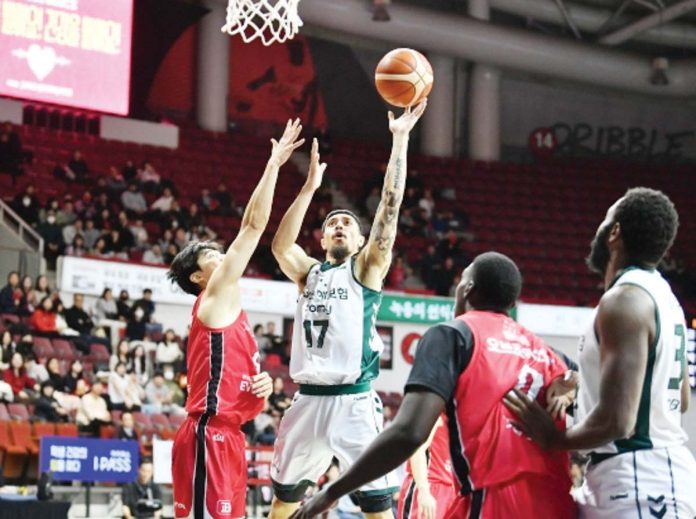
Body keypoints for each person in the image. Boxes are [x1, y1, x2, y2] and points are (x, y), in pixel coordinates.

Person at [291, 252, 578, 519]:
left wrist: (331, 492)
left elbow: (409, 433)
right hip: (560, 505)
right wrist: (575, 381)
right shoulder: (550, 355)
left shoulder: (454, 335)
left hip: (495, 502)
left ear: (467, 289)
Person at [269, 102, 427, 519]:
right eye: (332, 224)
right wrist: (307, 189)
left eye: (347, 225)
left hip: (353, 402)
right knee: (283, 503)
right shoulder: (309, 274)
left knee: (377, 506)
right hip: (306, 400)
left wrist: (400, 139)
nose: (339, 226)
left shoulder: (367, 268)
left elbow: (390, 208)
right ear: (321, 240)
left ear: (359, 242)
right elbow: (281, 247)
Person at [505, 187, 696, 519]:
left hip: (640, 481)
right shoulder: (665, 297)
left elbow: (618, 421)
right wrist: (584, 386)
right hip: (639, 477)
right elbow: (680, 397)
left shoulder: (624, 300)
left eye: (605, 219)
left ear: (615, 232)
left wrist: (554, 438)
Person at [166, 119, 303, 519]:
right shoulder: (213, 296)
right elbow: (253, 225)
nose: (220, 253)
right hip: (206, 435)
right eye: (209, 254)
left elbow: (235, 384)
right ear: (198, 277)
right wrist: (274, 164)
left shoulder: (235, 314)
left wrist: (258, 389)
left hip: (230, 438)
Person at [397, 416, 455, 519]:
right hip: (429, 485)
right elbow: (417, 450)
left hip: (450, 489)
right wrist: (424, 491)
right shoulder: (435, 414)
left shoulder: (458, 415)